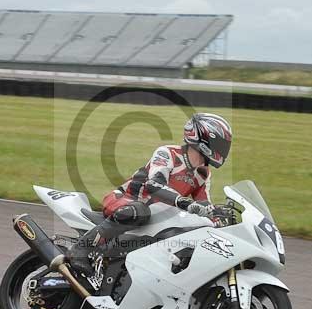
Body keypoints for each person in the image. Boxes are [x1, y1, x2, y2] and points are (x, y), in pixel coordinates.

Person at [67, 113, 233, 284]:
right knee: (140, 211)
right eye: (220, 143)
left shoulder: (203, 174)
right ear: (202, 137)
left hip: (155, 215)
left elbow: (203, 203)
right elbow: (153, 185)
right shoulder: (168, 153)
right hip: (125, 199)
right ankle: (79, 251)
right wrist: (183, 202)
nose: (223, 148)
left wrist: (218, 217)